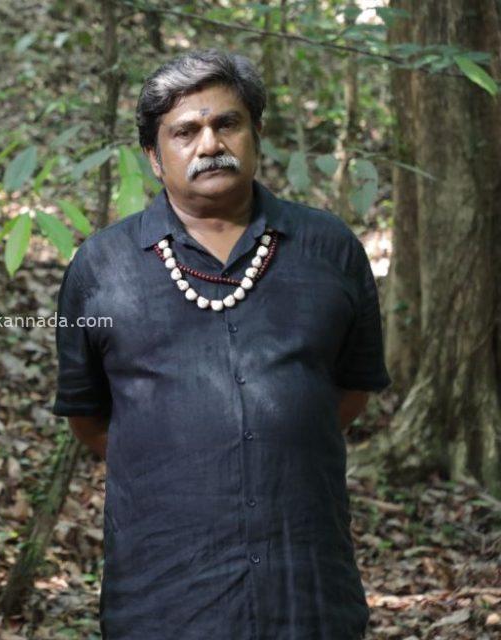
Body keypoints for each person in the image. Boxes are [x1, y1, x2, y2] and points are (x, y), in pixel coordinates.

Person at [53, 50, 390, 639]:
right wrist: (186, 454)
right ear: (154, 156)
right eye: (185, 132)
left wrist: (274, 438)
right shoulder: (102, 268)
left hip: (306, 588)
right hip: (163, 596)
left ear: (256, 133)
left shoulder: (329, 249)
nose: (210, 144)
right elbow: (90, 419)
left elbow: (350, 391)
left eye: (227, 123)